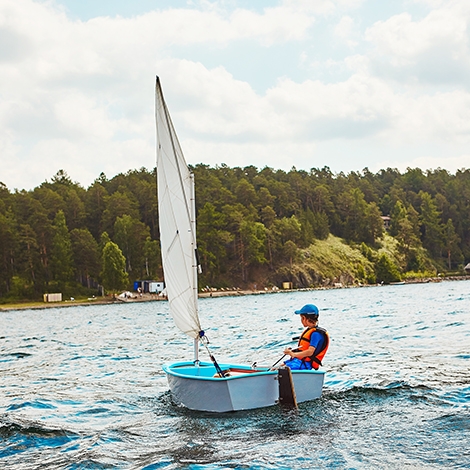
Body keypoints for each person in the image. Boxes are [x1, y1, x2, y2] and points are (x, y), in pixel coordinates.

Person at [283, 304, 329, 370]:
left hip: (305, 364)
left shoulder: (316, 334)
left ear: (304, 318)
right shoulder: (311, 331)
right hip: (300, 362)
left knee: (280, 369)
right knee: (277, 367)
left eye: (301, 318)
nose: (301, 320)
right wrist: (292, 351)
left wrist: (293, 354)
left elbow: (310, 352)